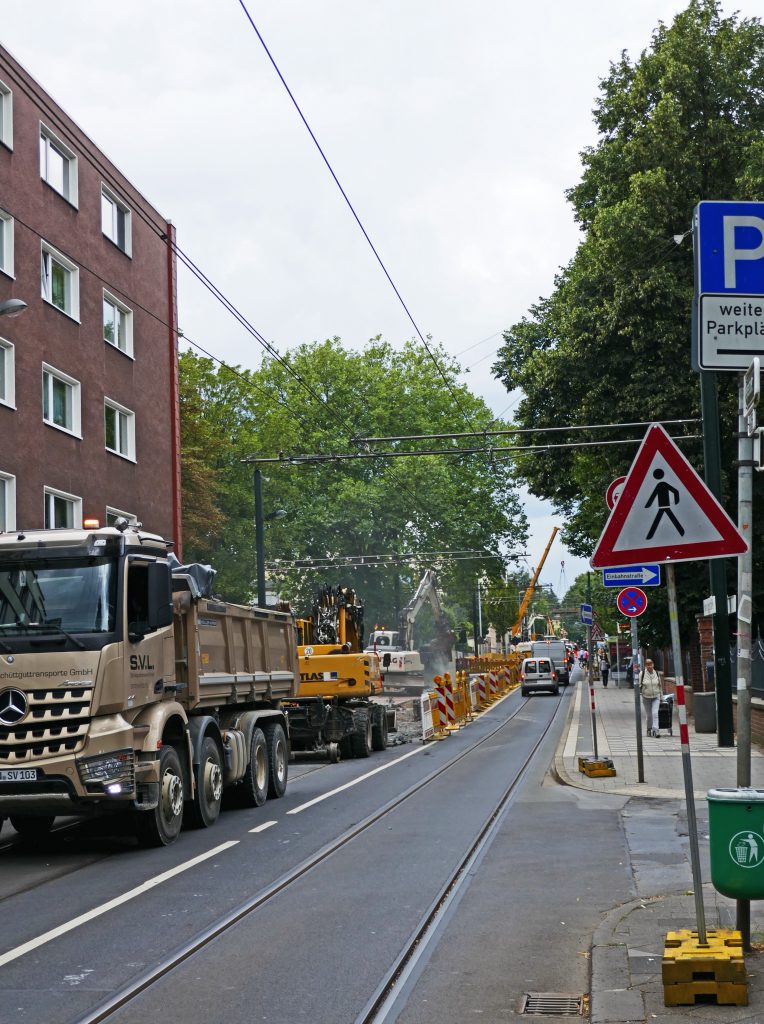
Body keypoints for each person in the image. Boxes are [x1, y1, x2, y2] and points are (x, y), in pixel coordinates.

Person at [639, 658, 662, 737]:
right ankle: (649, 729)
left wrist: (661, 697)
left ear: (653, 664)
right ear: (645, 665)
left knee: (655, 713)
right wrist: (642, 692)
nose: (649, 666)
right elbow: (639, 685)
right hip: (646, 697)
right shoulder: (642, 674)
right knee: (649, 715)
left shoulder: (656, 673)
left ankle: (656, 730)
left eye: (650, 664)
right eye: (647, 664)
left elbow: (660, 686)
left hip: (656, 696)